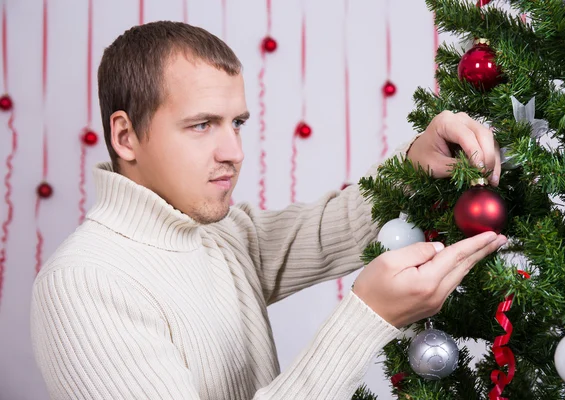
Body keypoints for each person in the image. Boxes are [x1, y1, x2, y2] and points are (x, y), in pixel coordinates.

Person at [30, 21, 506, 400]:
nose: (233, 151)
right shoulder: (85, 283)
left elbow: (326, 230)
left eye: (235, 123)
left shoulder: (220, 233)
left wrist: (414, 163)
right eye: (201, 125)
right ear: (125, 136)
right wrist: (367, 317)